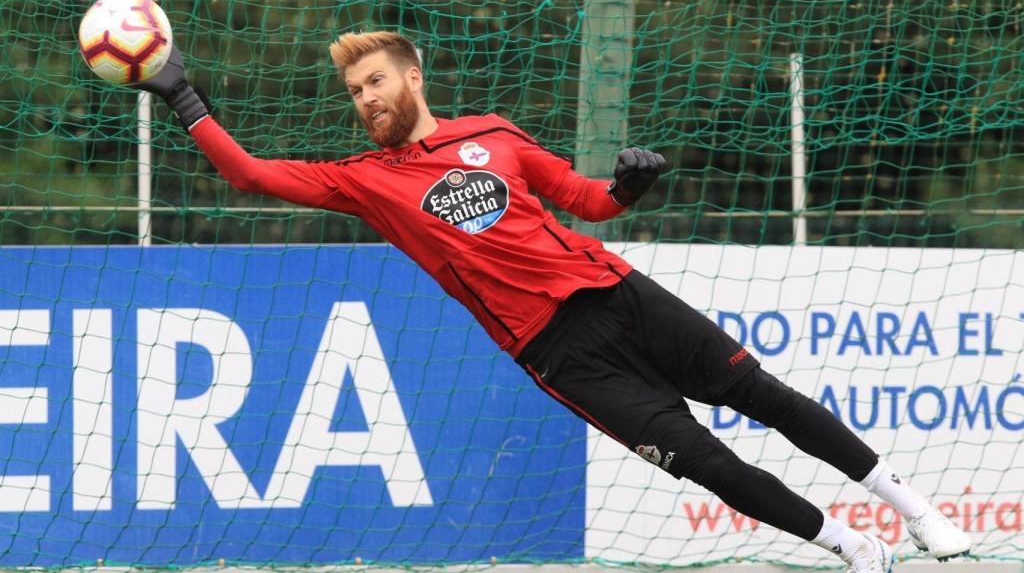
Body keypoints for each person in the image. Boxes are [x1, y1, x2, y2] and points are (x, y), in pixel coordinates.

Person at [134, 31, 972, 573]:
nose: (367, 99)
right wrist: (181, 95)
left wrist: (627, 187)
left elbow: (587, 200)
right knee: (710, 463)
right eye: (355, 91)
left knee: (766, 397)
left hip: (619, 293)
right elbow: (248, 174)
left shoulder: (494, 134)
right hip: (557, 352)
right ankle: (853, 548)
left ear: (413, 77)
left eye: (376, 81)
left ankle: (919, 513)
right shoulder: (364, 182)